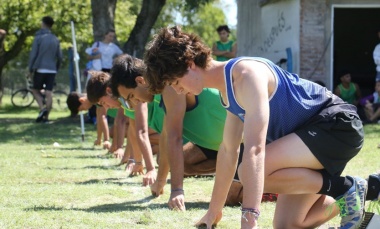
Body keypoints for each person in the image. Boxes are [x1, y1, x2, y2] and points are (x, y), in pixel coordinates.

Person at [144, 26, 368, 229]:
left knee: (250, 170)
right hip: (309, 142)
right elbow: (228, 151)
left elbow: (255, 150)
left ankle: (343, 188)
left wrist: (249, 219)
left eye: (175, 83)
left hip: (337, 125)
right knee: (288, 224)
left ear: (189, 64)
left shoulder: (246, 74)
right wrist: (213, 212)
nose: (178, 91)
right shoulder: (227, 93)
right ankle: (353, 193)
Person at [28, 16, 62, 123]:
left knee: (35, 90)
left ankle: (42, 109)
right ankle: (46, 118)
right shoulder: (55, 39)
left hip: (40, 68)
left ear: (43, 23)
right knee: (49, 93)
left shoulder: (38, 37)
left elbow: (34, 54)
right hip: (52, 69)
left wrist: (30, 68)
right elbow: (60, 57)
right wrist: (56, 68)